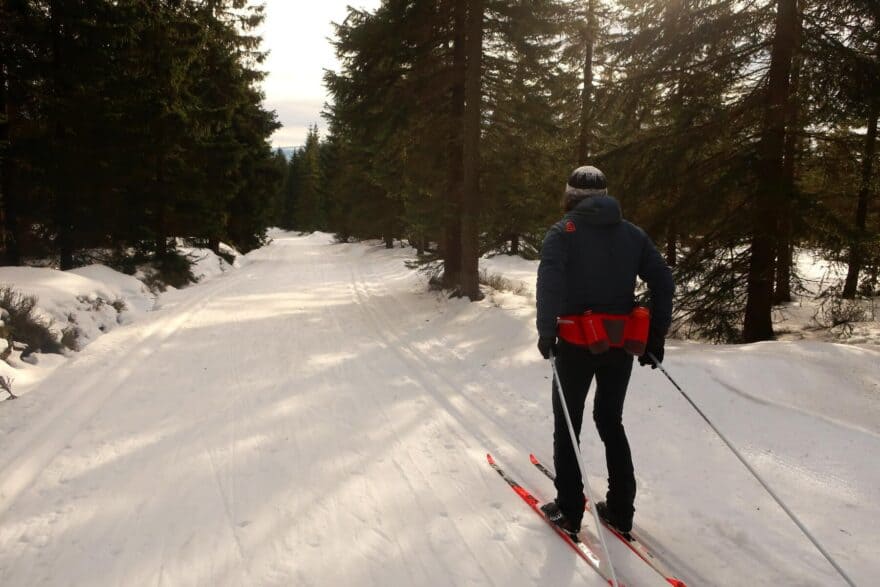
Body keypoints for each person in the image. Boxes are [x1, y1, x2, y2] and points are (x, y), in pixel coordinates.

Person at [535, 165, 674, 537]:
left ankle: (569, 508)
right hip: (620, 346)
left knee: (569, 422)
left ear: (570, 196)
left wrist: (546, 332)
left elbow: (549, 282)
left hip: (575, 344)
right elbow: (663, 280)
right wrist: (655, 335)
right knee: (610, 419)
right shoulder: (632, 234)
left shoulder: (562, 233)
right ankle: (620, 508)